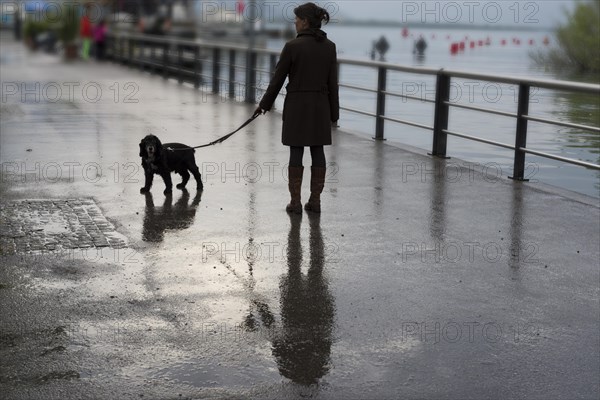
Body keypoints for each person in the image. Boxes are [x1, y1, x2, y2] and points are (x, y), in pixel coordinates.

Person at [255, 2, 339, 214]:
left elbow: (277, 81)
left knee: (296, 151)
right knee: (318, 150)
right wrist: (334, 113)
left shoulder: (292, 47)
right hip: (320, 106)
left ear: (305, 22)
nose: (294, 23)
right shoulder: (330, 47)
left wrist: (264, 105)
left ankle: (295, 202)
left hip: (297, 106)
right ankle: (315, 201)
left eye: (297, 19)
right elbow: (332, 84)